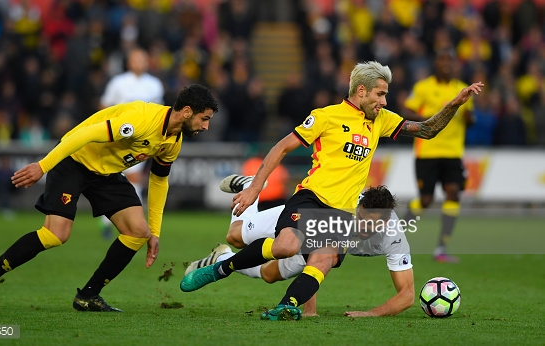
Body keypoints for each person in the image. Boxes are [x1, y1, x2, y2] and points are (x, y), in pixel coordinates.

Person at [180, 60, 483, 320]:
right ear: (361, 91)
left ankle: (287, 307)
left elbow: (427, 130)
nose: (385, 102)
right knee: (284, 247)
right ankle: (222, 268)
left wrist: (454, 104)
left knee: (322, 260)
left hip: (341, 212)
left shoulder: (380, 120)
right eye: (380, 94)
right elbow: (282, 147)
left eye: (386, 96)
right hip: (311, 197)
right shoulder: (325, 116)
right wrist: (255, 187)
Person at [0, 84, 218, 312]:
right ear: (186, 112)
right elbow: (84, 135)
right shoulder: (142, 119)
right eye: (204, 119)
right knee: (56, 235)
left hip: (106, 173)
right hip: (74, 160)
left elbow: (159, 180)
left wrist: (155, 231)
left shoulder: (173, 140)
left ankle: (88, 296)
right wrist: (44, 165)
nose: (206, 126)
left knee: (138, 232)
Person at [185, 176, 414, 318]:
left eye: (373, 225)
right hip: (306, 215)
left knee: (269, 274)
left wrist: (370, 314)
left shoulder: (393, 235)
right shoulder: (341, 209)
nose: (365, 228)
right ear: (358, 208)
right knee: (236, 235)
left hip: (323, 238)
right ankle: (250, 186)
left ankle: (222, 257)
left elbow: (407, 295)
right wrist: (308, 308)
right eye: (362, 220)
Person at [401, 48, 475, 263]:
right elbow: (406, 110)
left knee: (453, 193)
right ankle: (396, 236)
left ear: (454, 64)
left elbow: (470, 121)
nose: (446, 63)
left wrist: (469, 115)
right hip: (428, 151)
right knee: (426, 199)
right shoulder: (423, 88)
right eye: (442, 59)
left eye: (449, 60)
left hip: (452, 152)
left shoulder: (462, 89)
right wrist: (428, 119)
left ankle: (441, 247)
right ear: (436, 63)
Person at [98, 48, 165, 239]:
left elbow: (159, 113)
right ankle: (106, 222)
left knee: (135, 179)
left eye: (143, 59)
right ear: (129, 62)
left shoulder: (154, 84)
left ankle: (136, 222)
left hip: (141, 140)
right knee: (111, 179)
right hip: (118, 138)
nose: (139, 63)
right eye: (136, 60)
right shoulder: (118, 82)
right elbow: (104, 106)